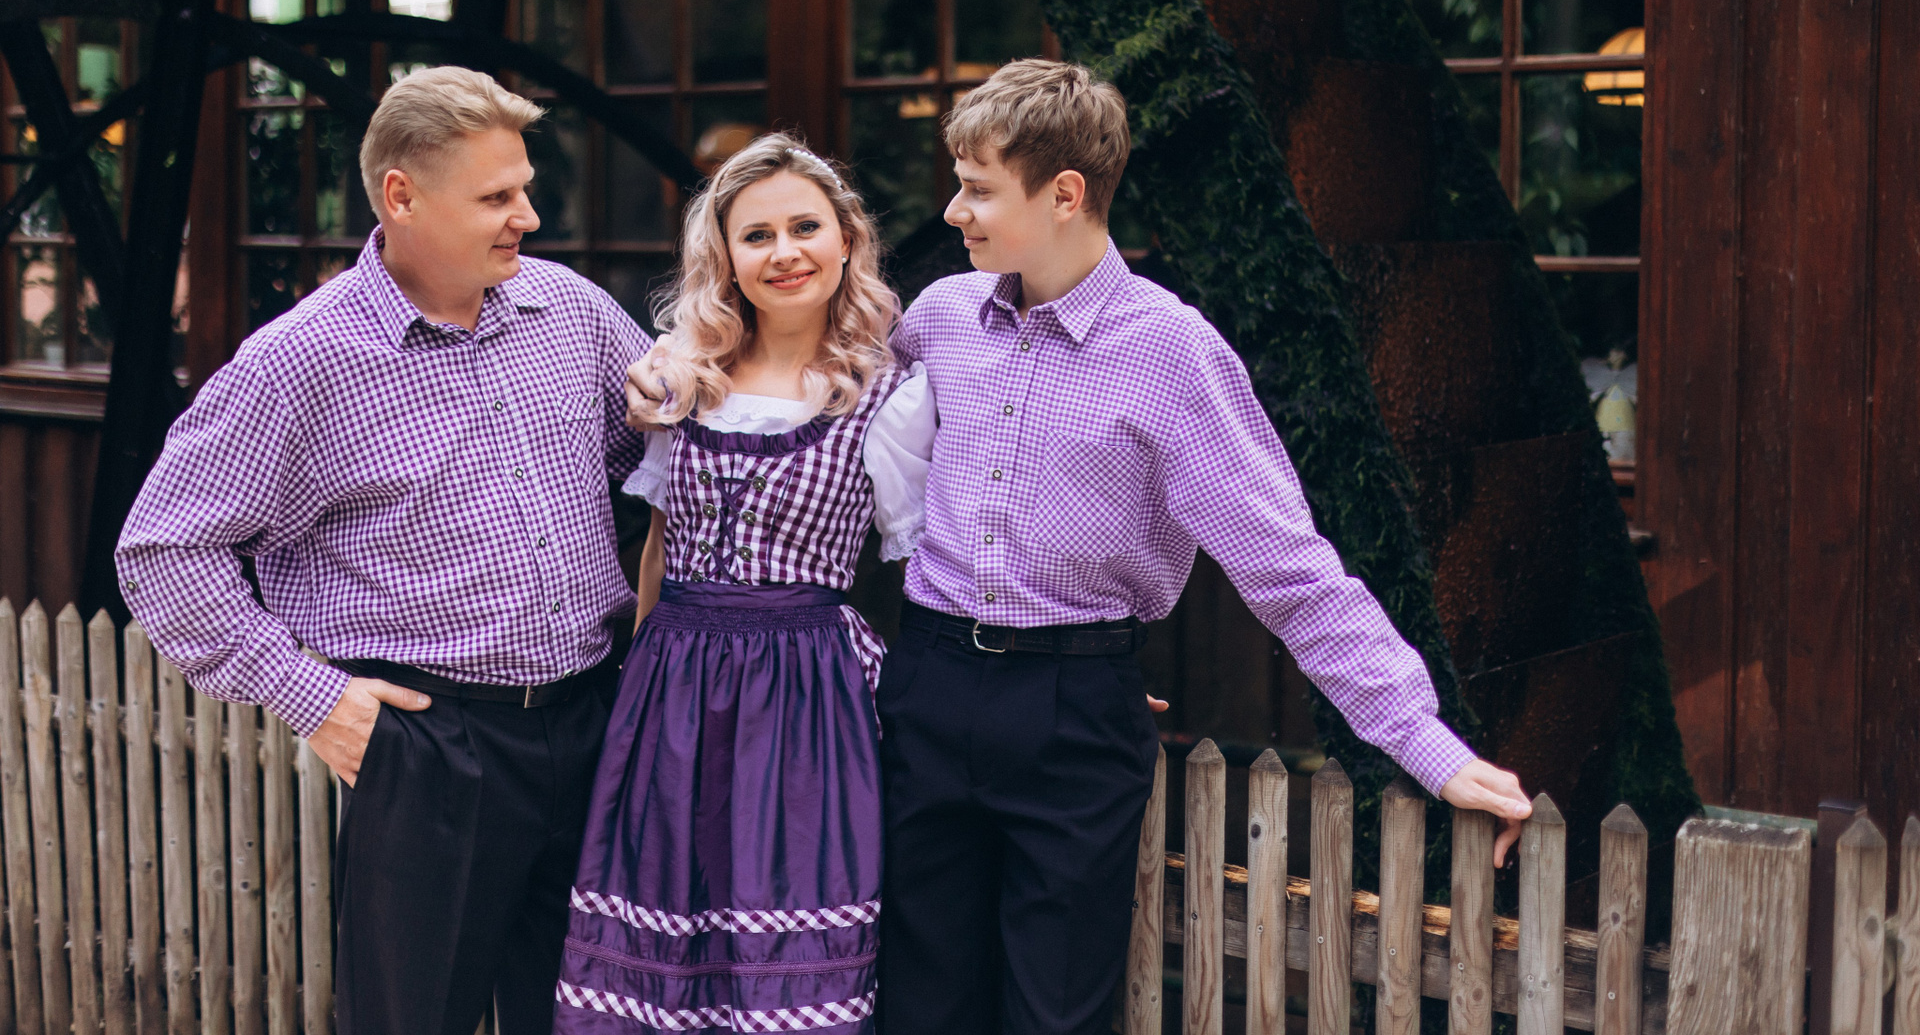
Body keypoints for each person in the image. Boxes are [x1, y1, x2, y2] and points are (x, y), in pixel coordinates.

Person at [875, 59, 1533, 1034]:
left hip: (1072, 715)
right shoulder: (938, 319)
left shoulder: (1172, 352)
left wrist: (1425, 744)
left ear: (1064, 193)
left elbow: (1291, 570)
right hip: (928, 686)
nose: (953, 210)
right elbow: (817, 408)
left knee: (1053, 1017)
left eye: (977, 189)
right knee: (917, 1008)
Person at [116, 66, 651, 1035]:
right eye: (496, 197)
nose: (527, 217)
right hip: (431, 744)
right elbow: (164, 548)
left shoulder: (570, 310)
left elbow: (656, 455)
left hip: (594, 720)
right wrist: (312, 696)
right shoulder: (299, 361)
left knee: (597, 1019)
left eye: (525, 188)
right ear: (402, 196)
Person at [553, 134, 933, 1035]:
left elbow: (925, 567)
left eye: (806, 227)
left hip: (809, 696)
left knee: (782, 926)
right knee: (662, 930)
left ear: (847, 239)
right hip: (671, 689)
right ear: (724, 255)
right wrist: (636, 686)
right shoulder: (685, 378)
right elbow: (657, 546)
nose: (784, 252)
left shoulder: (887, 395)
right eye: (757, 235)